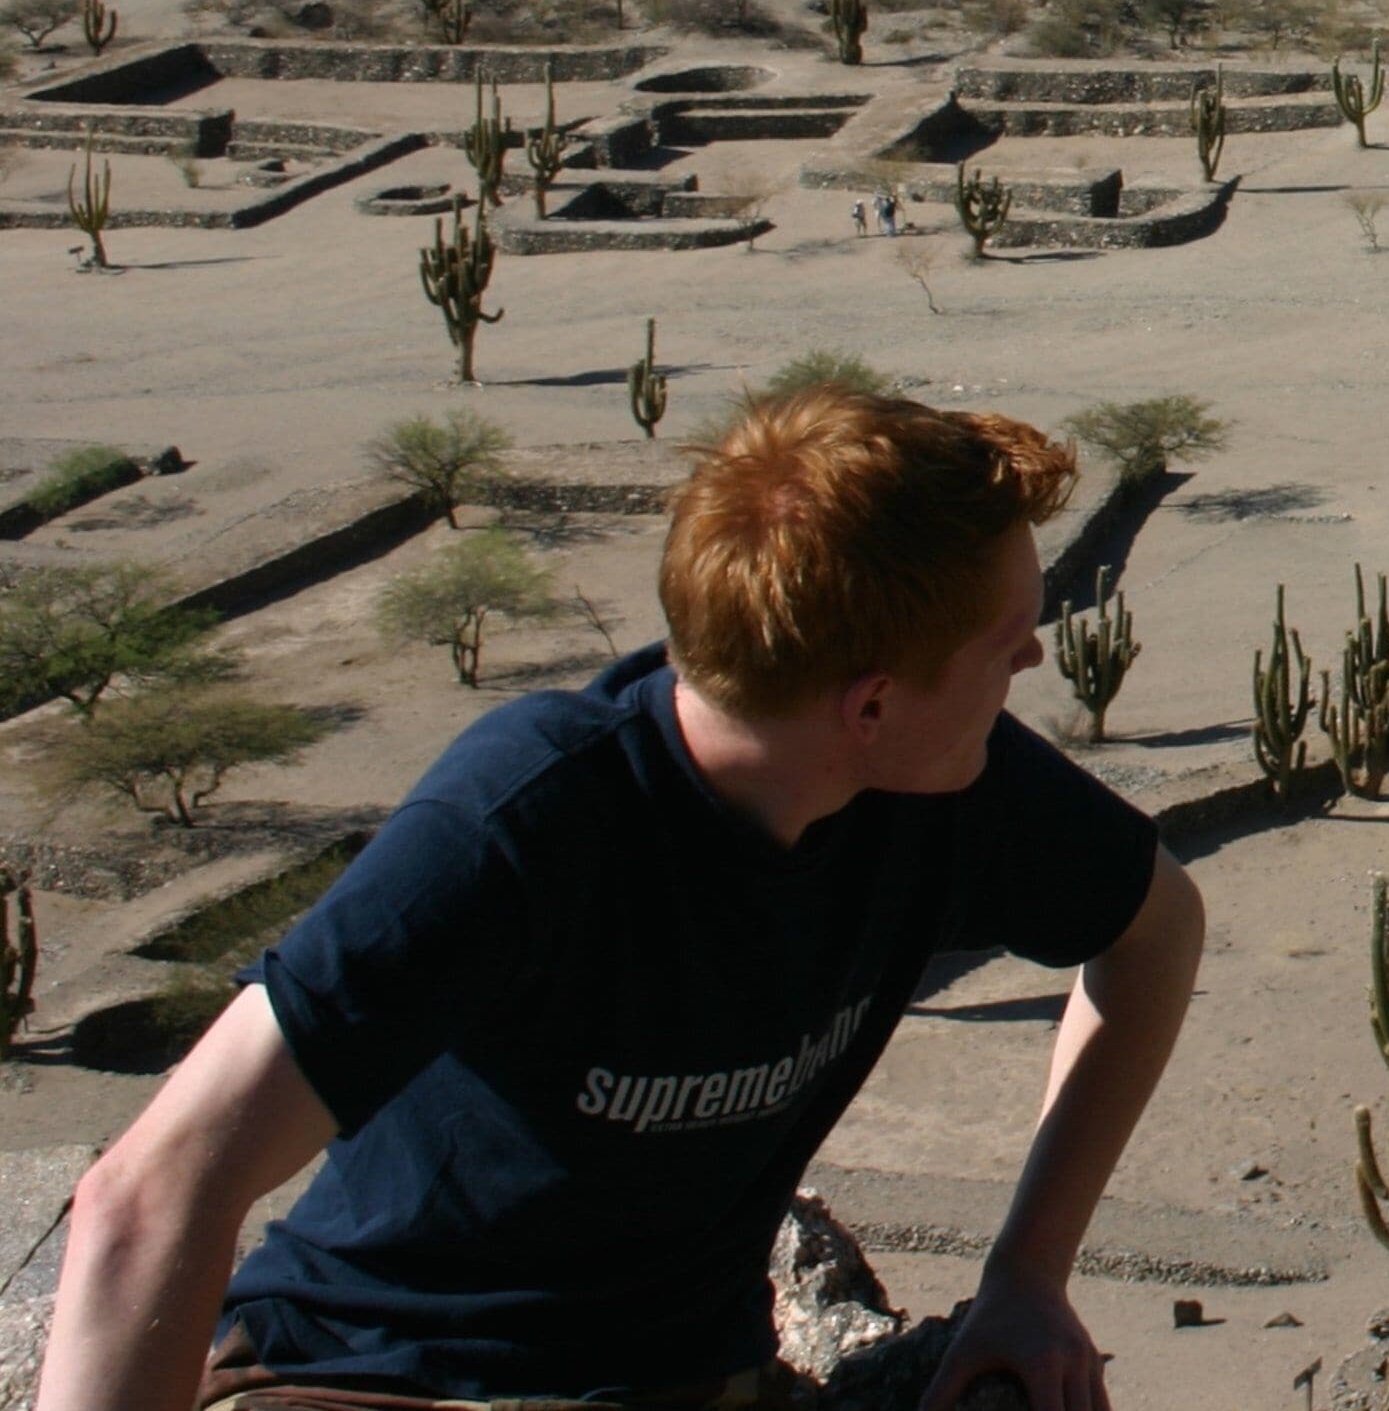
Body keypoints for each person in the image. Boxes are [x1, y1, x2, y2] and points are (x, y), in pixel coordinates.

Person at [44, 388, 1204, 1411]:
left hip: (685, 1377)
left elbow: (1155, 930)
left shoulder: (954, 782)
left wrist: (1026, 1277)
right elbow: (151, 1192)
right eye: (1007, 644)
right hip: (374, 1372)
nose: (1032, 668)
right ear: (870, 706)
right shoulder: (527, 821)